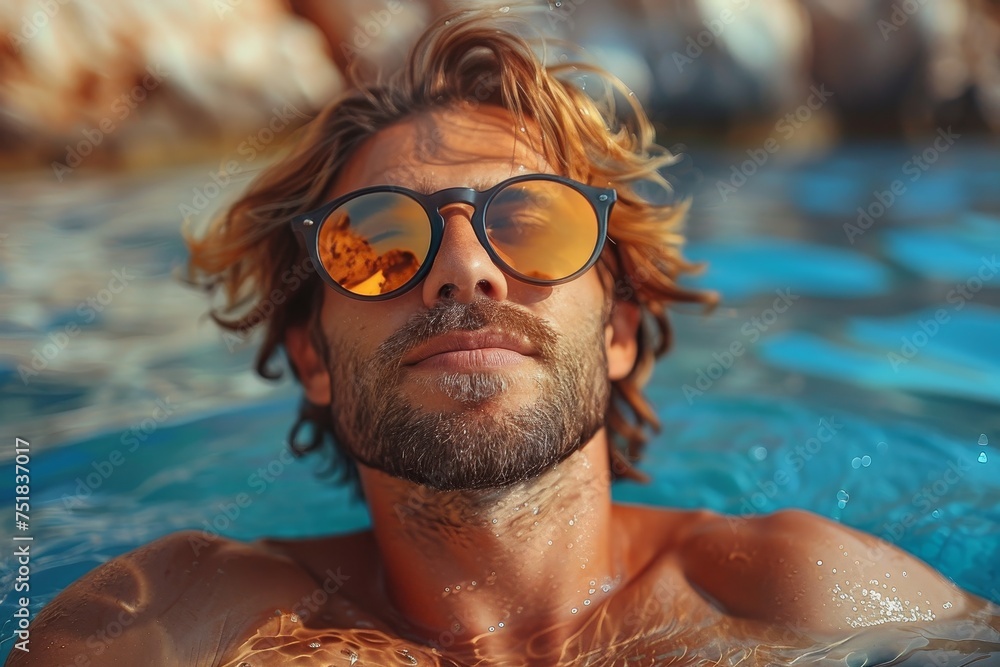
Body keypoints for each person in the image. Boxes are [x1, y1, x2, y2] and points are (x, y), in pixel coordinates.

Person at [11, 9, 995, 667]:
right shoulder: (177, 619)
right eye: (379, 242)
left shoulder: (801, 596)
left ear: (617, 331)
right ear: (313, 355)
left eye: (530, 223)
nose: (464, 269)